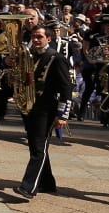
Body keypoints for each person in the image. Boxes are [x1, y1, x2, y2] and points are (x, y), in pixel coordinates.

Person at [13, 25, 72, 199]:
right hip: (30, 107)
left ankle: (28, 187)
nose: (36, 39)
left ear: (49, 39)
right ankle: (47, 182)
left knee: (39, 148)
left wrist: (63, 115)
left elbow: (67, 88)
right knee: (36, 146)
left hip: (46, 109)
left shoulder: (56, 58)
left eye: (40, 37)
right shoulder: (30, 56)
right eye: (34, 36)